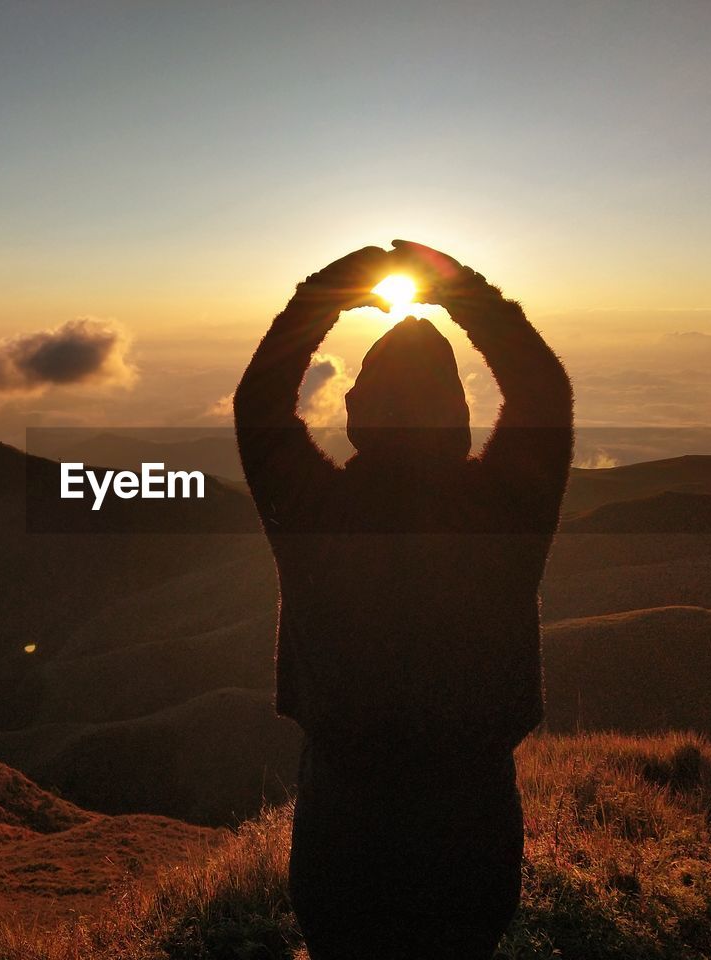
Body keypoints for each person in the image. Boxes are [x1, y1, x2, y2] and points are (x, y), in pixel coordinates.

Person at [233, 240, 573, 959]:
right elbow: (544, 391)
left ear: (356, 408)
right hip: (471, 821)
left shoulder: (313, 511)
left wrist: (323, 292)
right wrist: (464, 291)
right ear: (458, 414)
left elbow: (259, 399)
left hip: (343, 825)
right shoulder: (508, 508)